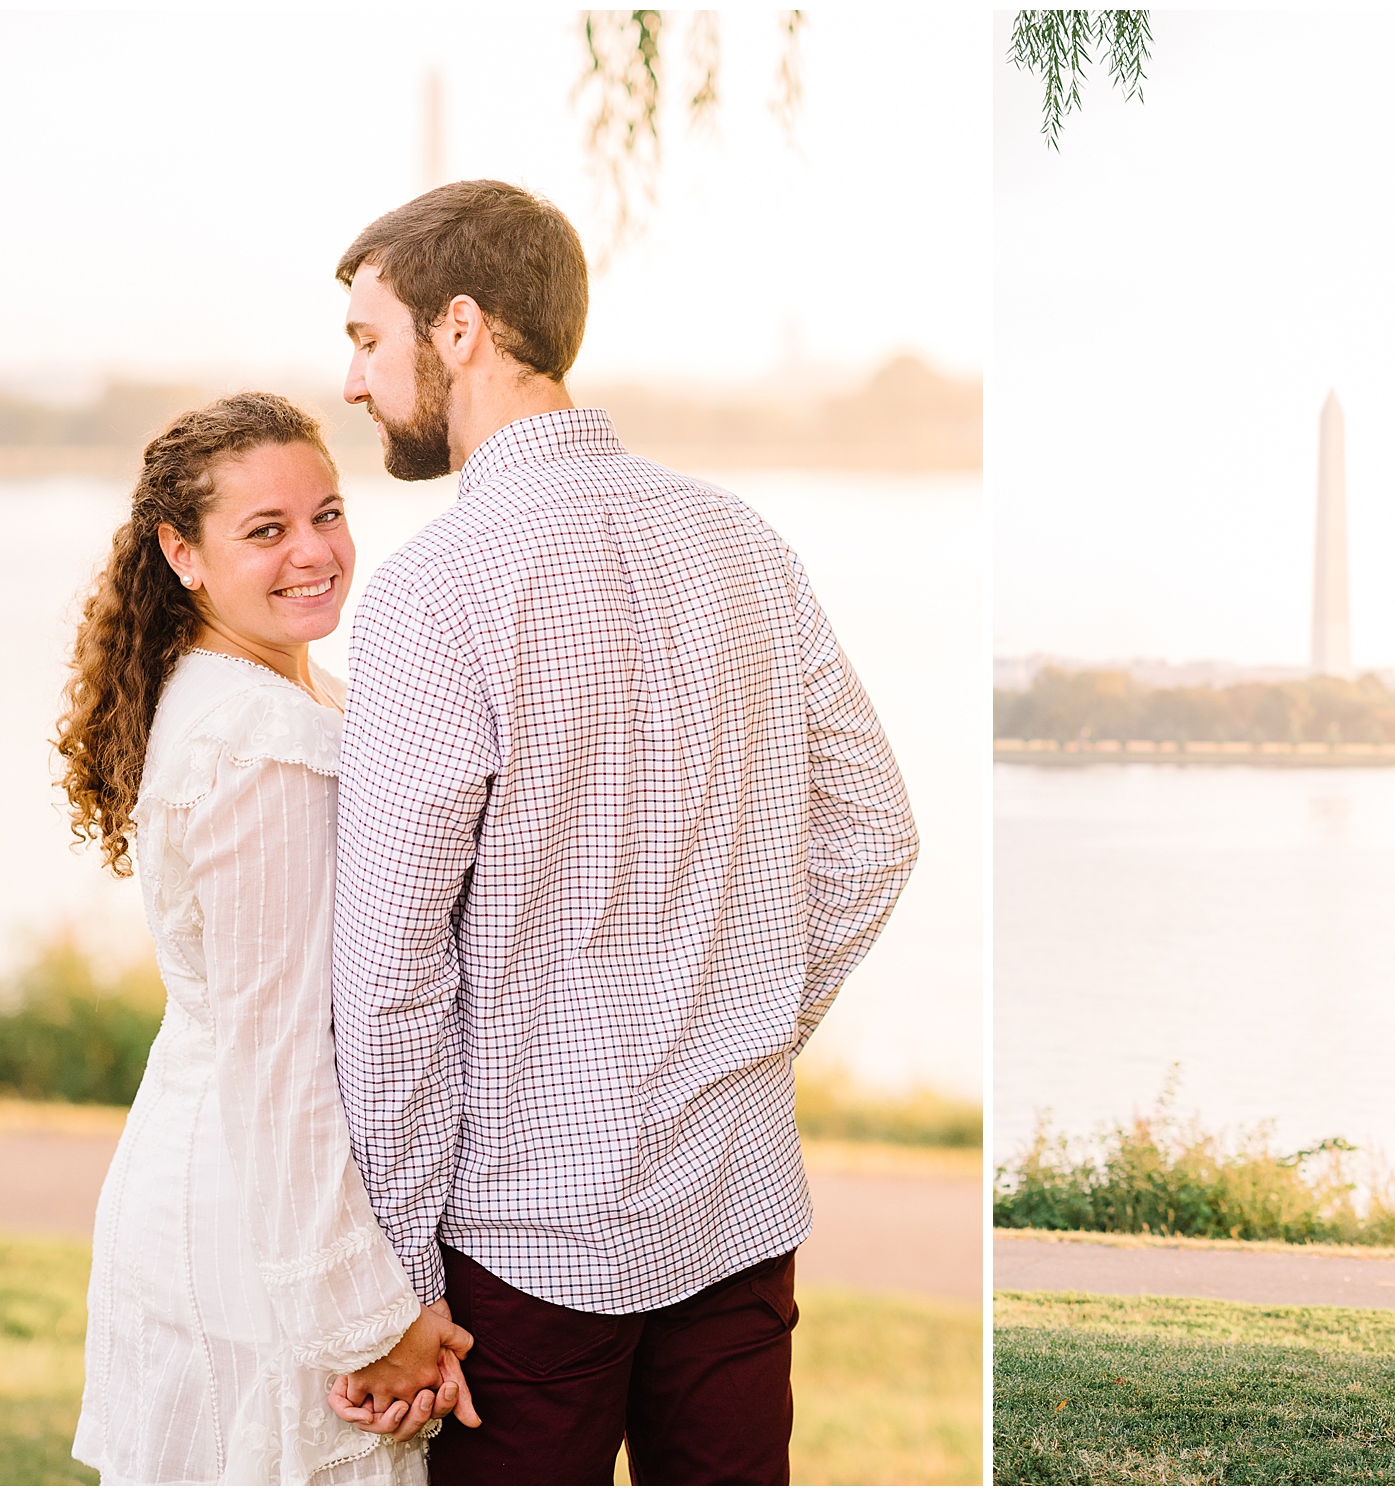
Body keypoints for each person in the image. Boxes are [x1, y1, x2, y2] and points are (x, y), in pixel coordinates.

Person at [323, 181, 919, 1485]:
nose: (355, 383)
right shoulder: (743, 540)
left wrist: (399, 1285)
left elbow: (388, 974)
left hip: (528, 1248)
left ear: (461, 327)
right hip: (738, 1199)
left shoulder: (434, 595)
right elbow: (874, 831)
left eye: (369, 339)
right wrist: (744, 1025)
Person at [60, 394, 477, 1484]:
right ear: (181, 553)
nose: (313, 551)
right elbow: (277, 1053)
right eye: (265, 529)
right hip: (258, 1233)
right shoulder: (259, 743)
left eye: (327, 512)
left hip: (226, 1181)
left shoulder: (275, 689)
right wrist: (368, 1320)